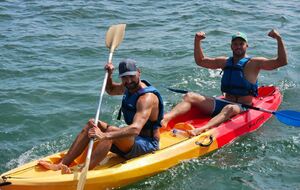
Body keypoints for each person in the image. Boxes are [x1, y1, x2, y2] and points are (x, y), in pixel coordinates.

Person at [38, 59, 164, 173]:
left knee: (110, 133)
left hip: (147, 145)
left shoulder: (146, 98)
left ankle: (83, 171)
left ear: (138, 72)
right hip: (131, 142)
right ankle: (62, 164)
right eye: (124, 78)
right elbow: (110, 90)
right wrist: (109, 74)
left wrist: (104, 136)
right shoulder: (129, 87)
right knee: (93, 123)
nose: (129, 81)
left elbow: (135, 129)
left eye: (131, 76)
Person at [161, 29, 287, 136]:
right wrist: (197, 41)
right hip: (223, 102)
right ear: (231, 46)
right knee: (190, 96)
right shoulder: (225, 62)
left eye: (241, 43)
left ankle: (203, 129)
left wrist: (279, 39)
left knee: (230, 108)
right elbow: (201, 61)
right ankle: (165, 119)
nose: (238, 46)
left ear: (246, 46)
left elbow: (281, 62)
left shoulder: (254, 63)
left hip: (242, 107)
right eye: (235, 43)